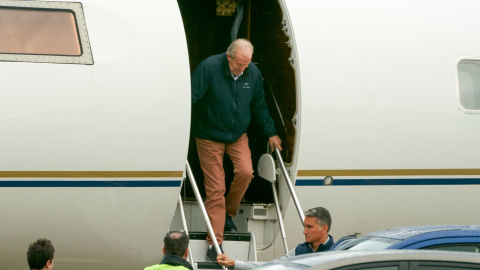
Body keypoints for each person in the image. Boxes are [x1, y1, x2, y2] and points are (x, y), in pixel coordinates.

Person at [191, 38, 282, 261]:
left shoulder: (251, 72)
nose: (242, 70)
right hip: (208, 135)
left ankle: (228, 215)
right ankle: (215, 243)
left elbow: (259, 105)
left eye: (246, 65)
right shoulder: (208, 67)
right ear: (228, 56)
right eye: (238, 65)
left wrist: (271, 132)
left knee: (245, 173)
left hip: (237, 134)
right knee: (216, 188)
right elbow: (191, 97)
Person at [216, 207, 334, 269]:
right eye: (304, 226)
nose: (304, 232)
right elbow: (271, 266)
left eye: (309, 227)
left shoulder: (337, 253)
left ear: (324, 228)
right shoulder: (300, 251)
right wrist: (234, 263)